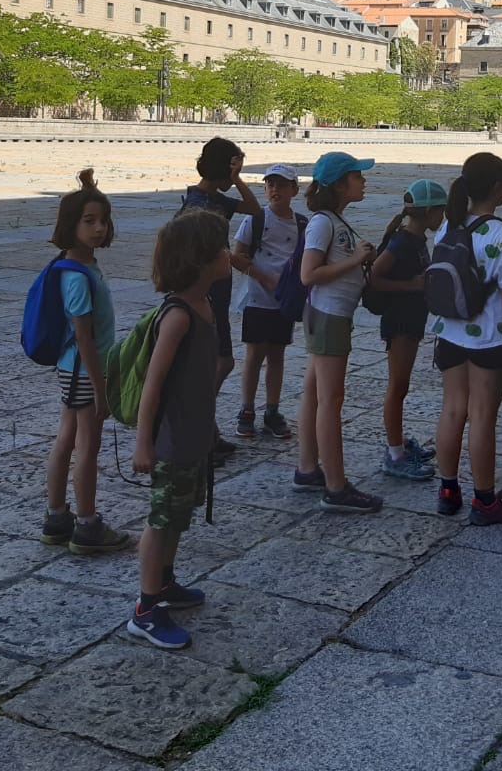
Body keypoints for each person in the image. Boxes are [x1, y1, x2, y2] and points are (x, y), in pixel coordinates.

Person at [127, 209, 233, 650]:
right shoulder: (177, 317)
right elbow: (153, 385)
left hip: (192, 437)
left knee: (179, 516)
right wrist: (143, 443)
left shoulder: (204, 307)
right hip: (170, 441)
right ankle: (146, 608)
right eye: (222, 247)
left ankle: (165, 584)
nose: (230, 253)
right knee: (162, 519)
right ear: (201, 258)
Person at [430, 153, 502, 524]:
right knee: (483, 416)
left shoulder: (447, 227)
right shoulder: (500, 234)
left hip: (450, 332)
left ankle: (448, 488)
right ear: (500, 189)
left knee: (453, 409)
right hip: (489, 337)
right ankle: (485, 499)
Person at [41, 170, 128, 554]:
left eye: (102, 221)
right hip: (85, 370)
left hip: (71, 367)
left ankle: (57, 516)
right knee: (86, 446)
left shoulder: (76, 266)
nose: (98, 228)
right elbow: (85, 336)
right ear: (69, 225)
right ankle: (88, 523)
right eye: (88, 221)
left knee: (67, 438)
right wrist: (100, 387)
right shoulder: (76, 275)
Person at [295, 152, 381, 513]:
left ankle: (308, 467)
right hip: (328, 316)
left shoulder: (333, 220)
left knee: (315, 394)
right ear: (341, 183)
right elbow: (309, 275)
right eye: (357, 176)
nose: (363, 181)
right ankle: (335, 485)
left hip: (331, 315)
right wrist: (355, 260)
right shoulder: (322, 224)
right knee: (330, 400)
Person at [179, 137, 263, 463]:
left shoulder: (213, 198)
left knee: (214, 362)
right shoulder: (198, 204)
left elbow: (255, 211)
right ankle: (194, 428)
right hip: (206, 295)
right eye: (234, 166)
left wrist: (238, 178)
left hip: (217, 292)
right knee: (218, 362)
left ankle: (207, 430)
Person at [369, 180, 447, 480]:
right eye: (440, 210)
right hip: (399, 321)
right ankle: (395, 453)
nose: (442, 217)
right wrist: (410, 285)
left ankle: (399, 443)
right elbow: (374, 277)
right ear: (429, 211)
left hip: (412, 319)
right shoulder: (402, 242)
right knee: (397, 386)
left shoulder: (415, 240)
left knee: (401, 385)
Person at [230, 164, 302, 440]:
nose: (275, 190)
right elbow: (237, 256)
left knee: (277, 356)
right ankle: (246, 409)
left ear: (294, 190)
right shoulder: (255, 220)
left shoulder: (301, 224)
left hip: (283, 303)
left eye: (282, 185)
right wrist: (265, 278)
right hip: (258, 300)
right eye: (271, 184)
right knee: (253, 356)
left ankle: (272, 410)